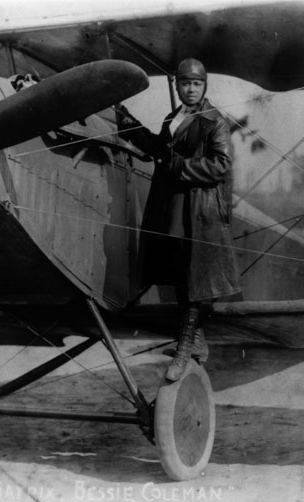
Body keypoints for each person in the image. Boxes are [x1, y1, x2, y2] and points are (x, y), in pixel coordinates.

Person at [117, 58, 241, 381]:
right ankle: (196, 340)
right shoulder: (174, 118)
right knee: (179, 274)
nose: (190, 88)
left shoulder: (214, 122)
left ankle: (185, 346)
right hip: (173, 208)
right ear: (178, 86)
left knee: (192, 279)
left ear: (204, 86)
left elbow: (220, 165)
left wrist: (180, 168)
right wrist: (128, 123)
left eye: (196, 84)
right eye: (185, 83)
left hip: (198, 212)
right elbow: (160, 148)